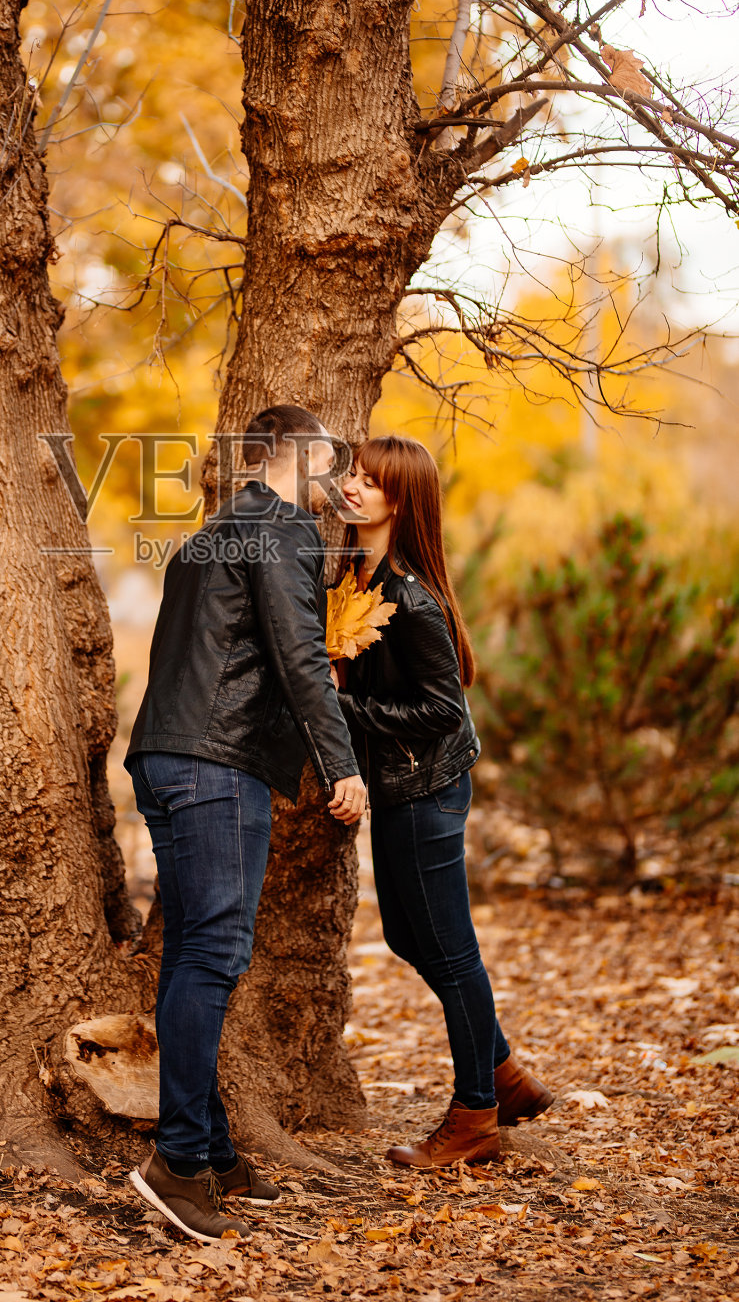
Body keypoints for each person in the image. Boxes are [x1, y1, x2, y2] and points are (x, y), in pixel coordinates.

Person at [126, 405, 367, 1242]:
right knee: (215, 952)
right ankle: (178, 1162)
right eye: (327, 461)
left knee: (194, 946)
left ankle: (218, 1152)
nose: (333, 480)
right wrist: (340, 764)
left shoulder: (207, 540)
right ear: (294, 455)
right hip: (216, 766)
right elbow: (300, 658)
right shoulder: (287, 529)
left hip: (161, 757)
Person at [334, 435, 552, 1168]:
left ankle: (474, 1117)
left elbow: (441, 710)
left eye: (369, 481)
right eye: (352, 475)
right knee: (404, 935)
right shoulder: (357, 575)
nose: (351, 487)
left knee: (451, 952)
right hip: (402, 786)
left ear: (402, 499)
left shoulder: (409, 597)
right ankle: (502, 1073)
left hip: (427, 787)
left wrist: (343, 709)